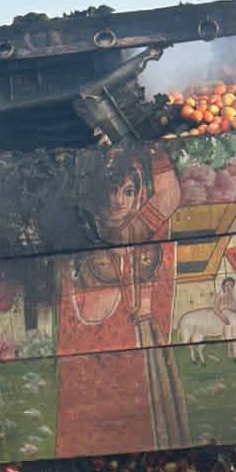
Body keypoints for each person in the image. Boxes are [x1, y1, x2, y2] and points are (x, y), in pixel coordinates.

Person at [55, 147, 190, 455]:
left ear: (137, 195)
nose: (119, 200)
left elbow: (169, 197)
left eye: (128, 192)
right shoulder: (85, 230)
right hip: (89, 350)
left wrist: (154, 151)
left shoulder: (135, 230)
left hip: (138, 348)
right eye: (112, 190)